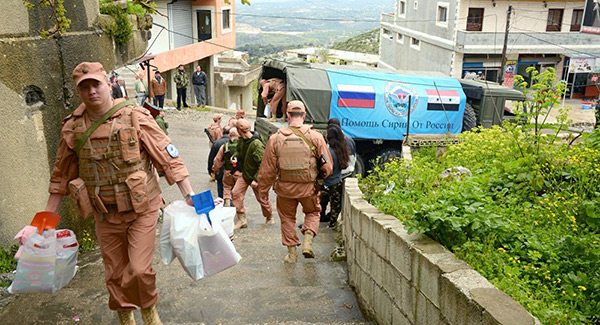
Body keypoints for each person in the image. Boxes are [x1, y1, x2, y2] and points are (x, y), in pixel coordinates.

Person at [45, 62, 195, 325]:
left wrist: (189, 195)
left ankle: (148, 309)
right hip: (105, 214)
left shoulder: (135, 116)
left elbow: (168, 157)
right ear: (79, 92)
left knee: (138, 269)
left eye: (96, 85)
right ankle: (125, 314)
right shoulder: (73, 127)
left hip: (142, 209)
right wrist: (43, 225)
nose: (92, 92)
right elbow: (60, 177)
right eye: (85, 87)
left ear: (107, 84)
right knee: (114, 272)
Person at [257, 100, 333, 263]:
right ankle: (307, 241)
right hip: (308, 188)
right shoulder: (315, 137)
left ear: (287, 115)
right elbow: (327, 167)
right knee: (313, 212)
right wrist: (320, 177)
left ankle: (292, 254)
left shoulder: (275, 138)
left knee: (287, 218)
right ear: (304, 115)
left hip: (284, 189)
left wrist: (262, 191)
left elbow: (267, 170)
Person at [231, 119, 274, 229]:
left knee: (262, 199)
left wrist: (256, 179)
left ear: (239, 130)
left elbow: (263, 164)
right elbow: (239, 151)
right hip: (245, 174)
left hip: (256, 176)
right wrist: (235, 156)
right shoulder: (242, 140)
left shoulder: (256, 145)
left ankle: (269, 216)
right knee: (235, 193)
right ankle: (241, 219)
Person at [320, 124, 350, 228]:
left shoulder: (328, 152)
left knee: (321, 204)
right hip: (337, 182)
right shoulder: (341, 150)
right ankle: (332, 224)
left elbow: (323, 168)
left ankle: (320, 220)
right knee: (335, 206)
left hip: (326, 182)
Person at [212, 127, 241, 207]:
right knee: (238, 192)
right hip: (239, 173)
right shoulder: (242, 146)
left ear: (229, 135)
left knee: (227, 188)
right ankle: (237, 207)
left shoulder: (225, 147)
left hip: (228, 172)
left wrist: (216, 170)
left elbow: (217, 160)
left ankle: (227, 202)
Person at [207, 126, 231, 198]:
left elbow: (211, 158)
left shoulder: (216, 143)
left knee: (220, 191)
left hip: (220, 171)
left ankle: (221, 204)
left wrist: (210, 170)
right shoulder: (234, 144)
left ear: (222, 133)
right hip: (231, 171)